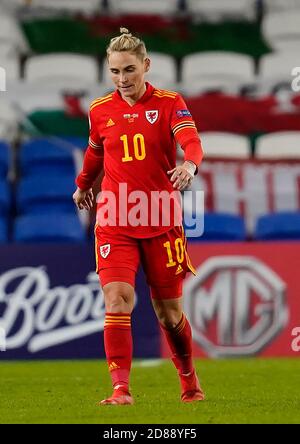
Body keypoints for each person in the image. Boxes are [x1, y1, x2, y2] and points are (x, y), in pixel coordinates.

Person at [73, 28, 204, 405]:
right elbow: (95, 152)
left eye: (129, 69)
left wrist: (190, 166)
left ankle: (189, 379)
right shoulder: (100, 110)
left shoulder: (168, 102)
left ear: (146, 65)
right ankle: (120, 389)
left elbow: (191, 140)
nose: (122, 79)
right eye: (114, 71)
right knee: (116, 298)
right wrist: (83, 184)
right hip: (115, 218)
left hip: (160, 217)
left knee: (168, 313)